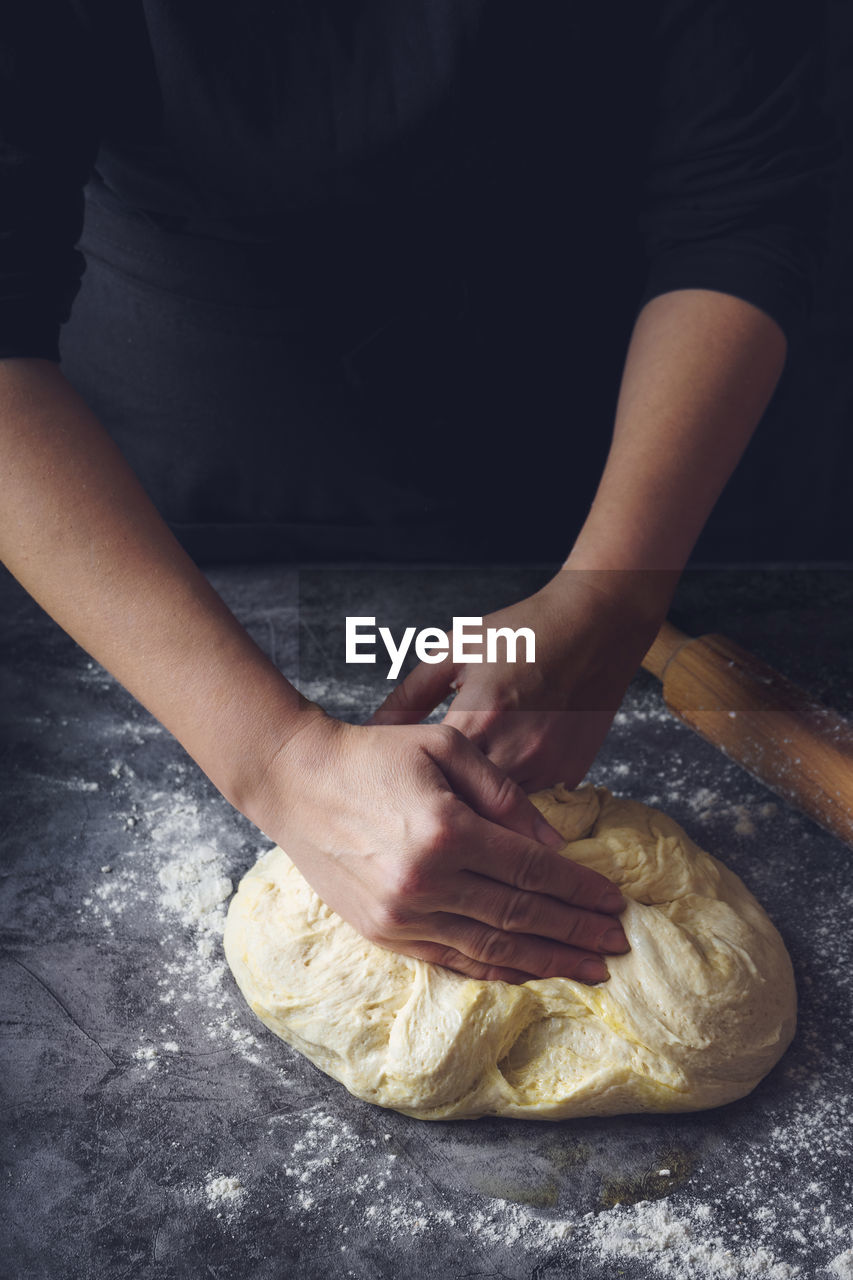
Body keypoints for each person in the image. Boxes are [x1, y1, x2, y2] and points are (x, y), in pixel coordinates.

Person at [0, 2, 835, 985]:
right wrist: (277, 758)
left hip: (650, 484)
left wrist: (611, 589)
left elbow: (740, 206)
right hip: (177, 530)